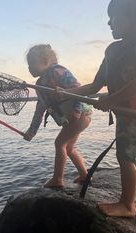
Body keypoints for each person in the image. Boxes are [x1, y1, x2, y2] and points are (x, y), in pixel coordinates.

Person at [65, 0, 136, 217]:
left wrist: (111, 99)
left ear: (135, 18)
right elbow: (96, 85)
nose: (108, 22)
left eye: (114, 17)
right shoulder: (112, 50)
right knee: (131, 155)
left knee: (126, 157)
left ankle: (127, 205)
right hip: (124, 114)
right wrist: (65, 92)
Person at [24, 44, 92, 188]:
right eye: (28, 65)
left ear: (46, 61)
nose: (29, 68)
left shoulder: (57, 71)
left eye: (32, 64)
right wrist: (32, 131)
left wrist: (76, 111)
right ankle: (84, 175)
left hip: (81, 113)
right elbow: (40, 109)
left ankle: (57, 179)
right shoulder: (39, 85)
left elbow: (77, 87)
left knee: (59, 143)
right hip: (73, 117)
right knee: (69, 147)